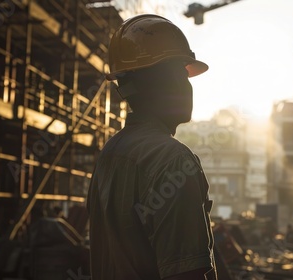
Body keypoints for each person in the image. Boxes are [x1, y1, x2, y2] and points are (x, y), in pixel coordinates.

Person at [86, 14, 217, 280]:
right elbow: (185, 274)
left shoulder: (111, 153)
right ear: (147, 85)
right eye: (177, 75)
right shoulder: (172, 160)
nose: (187, 87)